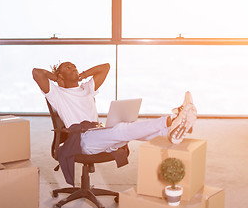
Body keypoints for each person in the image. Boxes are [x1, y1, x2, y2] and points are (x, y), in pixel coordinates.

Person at [32, 62, 197, 184]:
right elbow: (37, 72)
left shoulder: (86, 88)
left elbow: (106, 67)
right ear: (61, 76)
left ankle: (170, 132)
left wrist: (80, 75)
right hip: (83, 139)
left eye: (74, 66)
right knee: (122, 130)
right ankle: (171, 121)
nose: (73, 68)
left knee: (128, 130)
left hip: (98, 134)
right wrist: (57, 79)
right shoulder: (57, 93)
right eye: (68, 67)